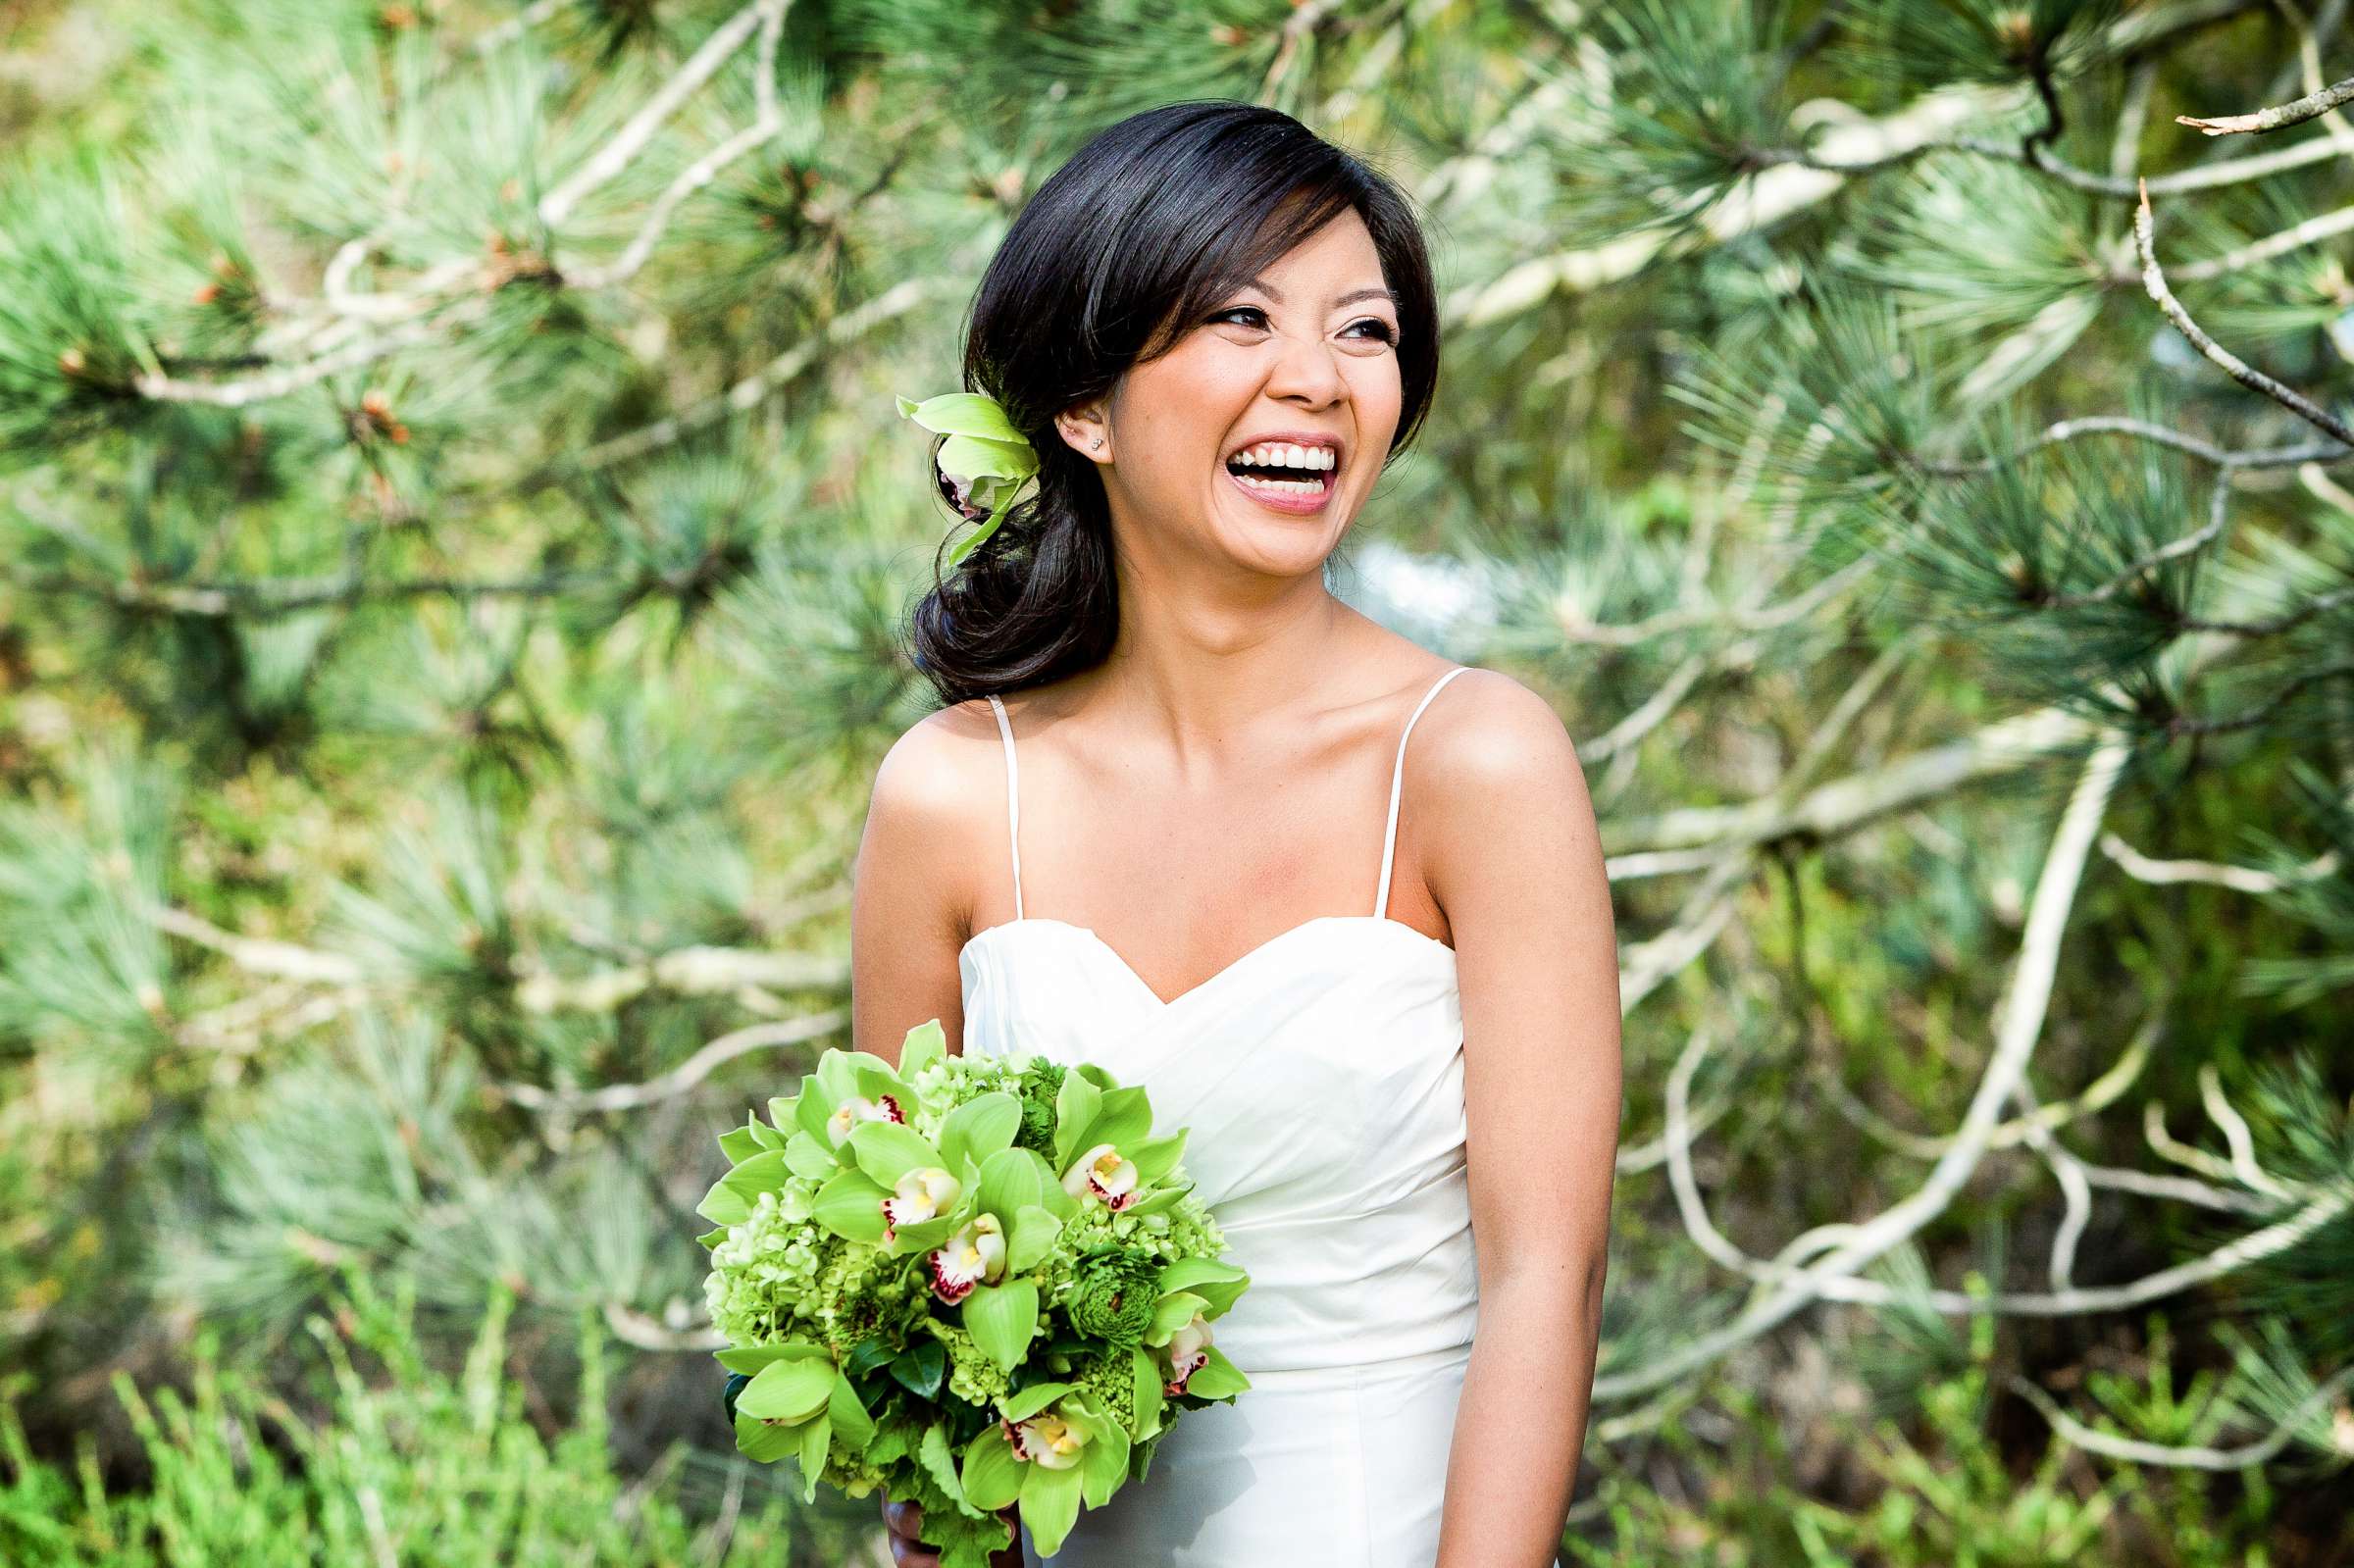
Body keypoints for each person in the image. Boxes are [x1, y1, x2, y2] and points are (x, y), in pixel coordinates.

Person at [849, 98, 1620, 1568]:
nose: (1316, 382)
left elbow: (1549, 1277)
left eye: (1365, 332)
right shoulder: (950, 796)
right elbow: (913, 1309)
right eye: (1241, 319)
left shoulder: (1476, 762)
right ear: (1084, 407)